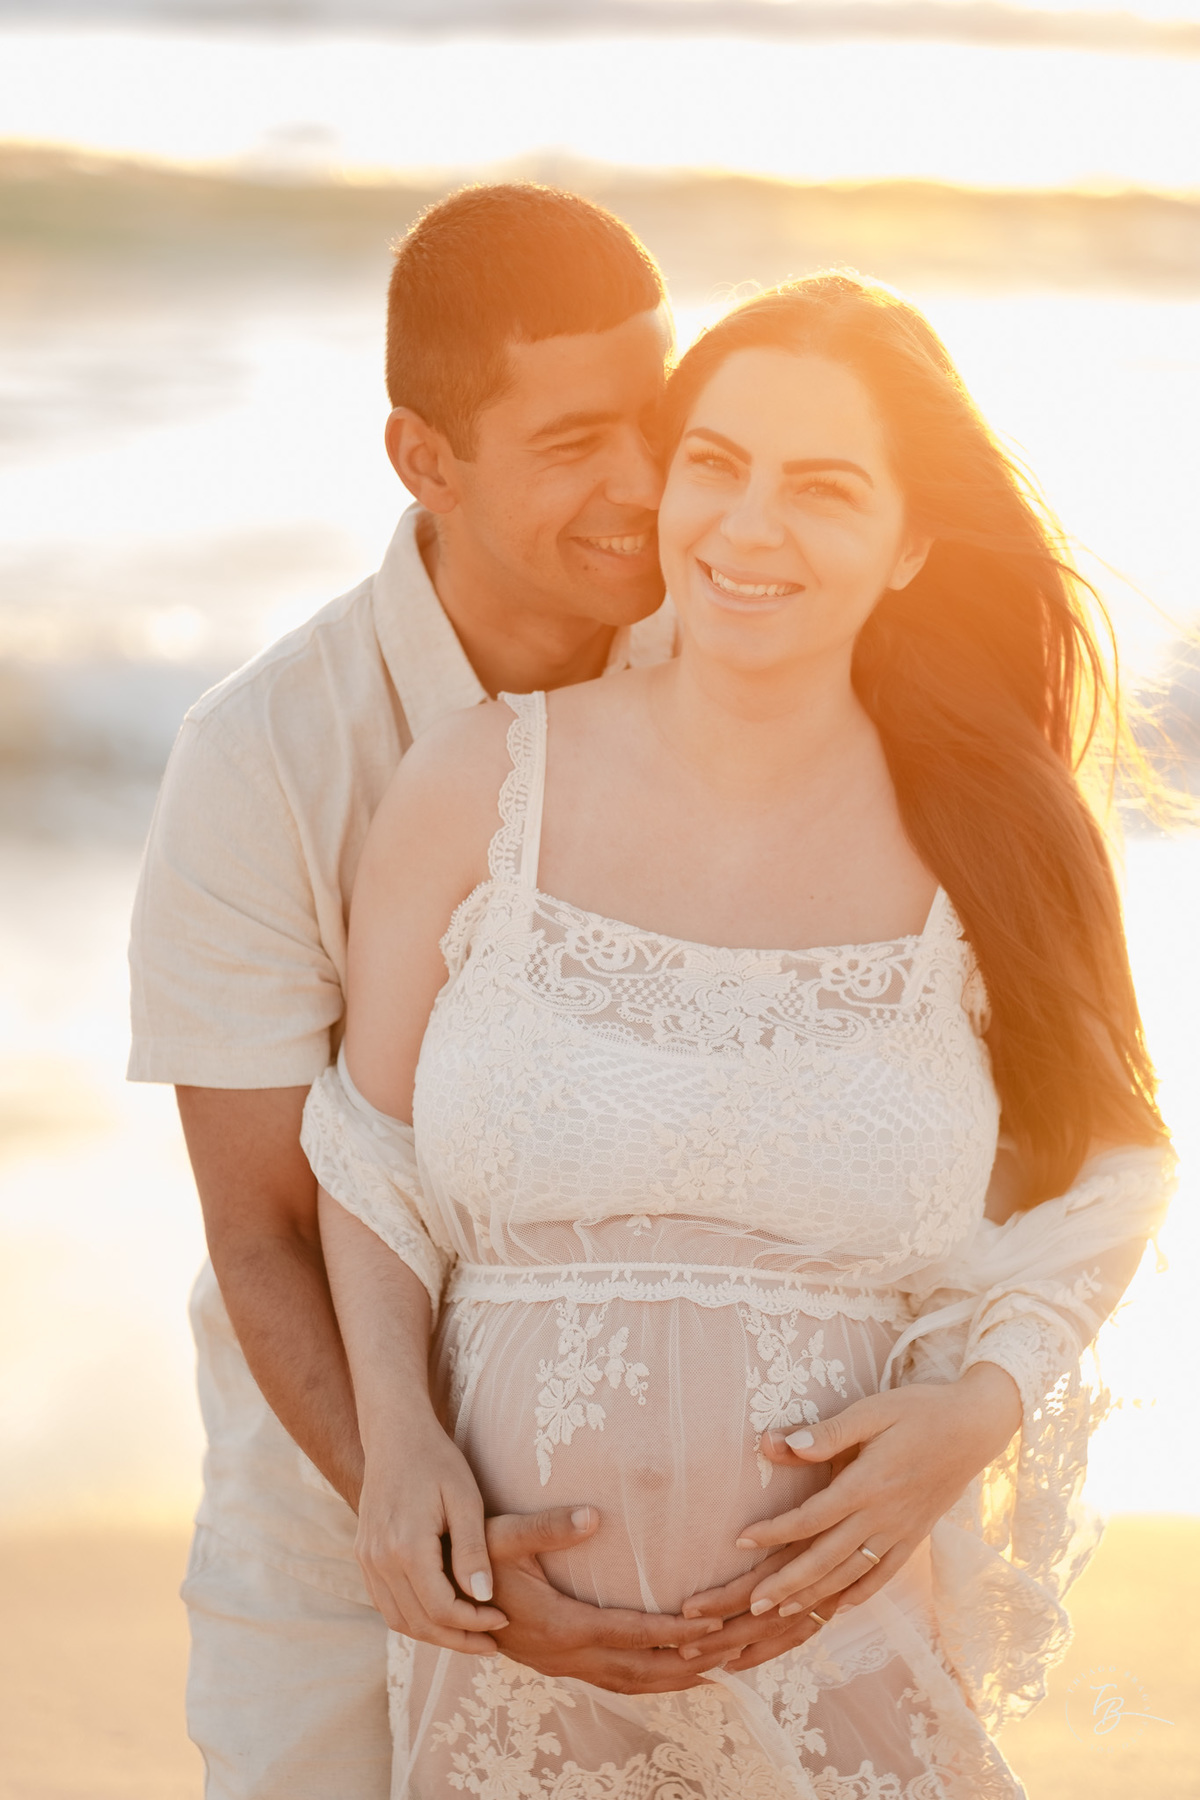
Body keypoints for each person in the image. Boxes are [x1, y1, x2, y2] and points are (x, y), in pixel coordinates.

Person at [305, 275, 1175, 1796]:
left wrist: (981, 1409)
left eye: (824, 489)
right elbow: (368, 1162)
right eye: (715, 464)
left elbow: (1120, 1165)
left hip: (843, 1654)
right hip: (511, 1668)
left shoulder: (995, 831)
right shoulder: (477, 787)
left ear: (909, 541)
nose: (748, 527)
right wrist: (400, 1454)